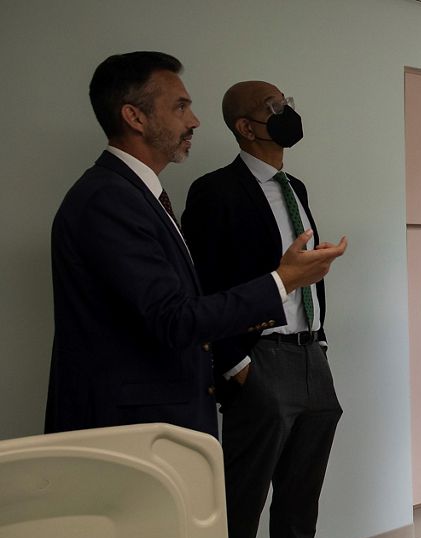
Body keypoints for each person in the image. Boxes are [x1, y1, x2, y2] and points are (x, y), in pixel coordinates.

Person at [46, 52, 345, 438]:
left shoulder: (139, 195)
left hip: (161, 421)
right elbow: (175, 318)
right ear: (135, 117)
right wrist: (281, 282)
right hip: (130, 431)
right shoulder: (109, 200)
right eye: (180, 107)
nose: (194, 121)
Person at [182, 81, 344, 538]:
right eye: (274, 107)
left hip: (311, 355)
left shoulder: (296, 189)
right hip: (261, 360)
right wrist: (235, 365)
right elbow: (203, 287)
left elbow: (294, 271)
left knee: (301, 505)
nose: (286, 112)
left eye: (287, 103)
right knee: (242, 506)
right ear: (245, 127)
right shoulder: (214, 191)